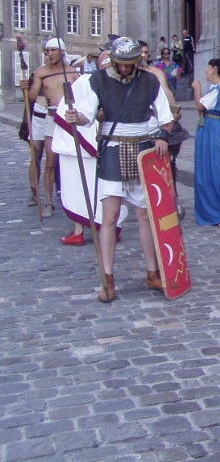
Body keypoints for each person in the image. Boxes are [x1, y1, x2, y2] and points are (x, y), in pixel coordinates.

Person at [65, 37, 174, 303]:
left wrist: (162, 136)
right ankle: (108, 279)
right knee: (110, 217)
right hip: (113, 151)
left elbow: (166, 118)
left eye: (129, 64)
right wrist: (76, 117)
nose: (125, 69)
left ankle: (152, 273)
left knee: (145, 215)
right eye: (120, 64)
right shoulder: (98, 80)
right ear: (113, 61)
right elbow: (88, 114)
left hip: (143, 152)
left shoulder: (149, 81)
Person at [52, 73, 128, 246]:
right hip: (89, 144)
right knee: (80, 186)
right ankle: (87, 229)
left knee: (104, 189)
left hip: (107, 143)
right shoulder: (87, 81)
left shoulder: (105, 81)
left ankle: (100, 228)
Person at [20, 38, 80, 218]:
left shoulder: (72, 73)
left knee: (73, 160)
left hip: (69, 119)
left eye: (53, 50)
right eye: (47, 51)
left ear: (62, 52)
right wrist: (26, 89)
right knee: (50, 162)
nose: (49, 54)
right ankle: (48, 202)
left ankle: (74, 199)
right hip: (51, 118)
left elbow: (81, 97)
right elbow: (31, 98)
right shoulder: (41, 72)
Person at [191, 59, 220, 228]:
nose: (206, 70)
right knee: (205, 168)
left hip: (213, 130)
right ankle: (209, 210)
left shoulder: (219, 89)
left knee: (217, 168)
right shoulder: (214, 89)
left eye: (208, 67)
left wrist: (197, 89)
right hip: (207, 128)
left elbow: (200, 106)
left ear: (214, 69)